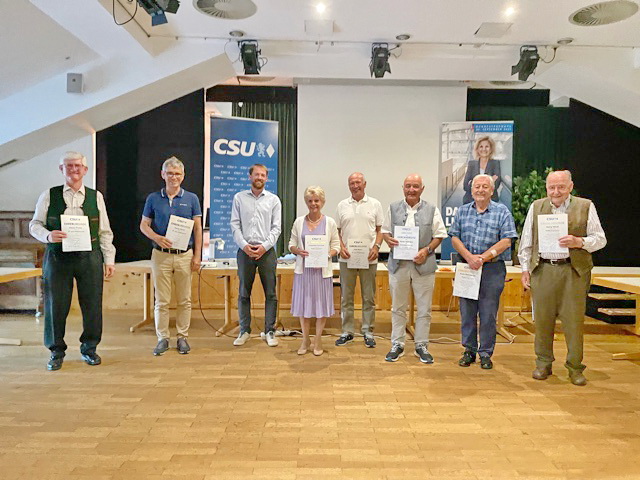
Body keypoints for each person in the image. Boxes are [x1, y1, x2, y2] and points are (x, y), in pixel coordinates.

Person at [29, 151, 116, 371]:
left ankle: (90, 348)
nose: (74, 169)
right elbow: (34, 224)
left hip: (89, 257)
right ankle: (56, 352)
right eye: (69, 166)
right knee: (55, 306)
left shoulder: (96, 196)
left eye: (77, 166)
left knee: (92, 305)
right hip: (58, 258)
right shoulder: (49, 195)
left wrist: (109, 260)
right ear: (62, 169)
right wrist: (48, 235)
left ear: (85, 170)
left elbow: (105, 231)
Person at [519, 170, 606, 386]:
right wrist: (525, 269)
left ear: (570, 186)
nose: (556, 192)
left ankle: (575, 368)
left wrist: (580, 242)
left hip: (573, 271)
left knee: (574, 322)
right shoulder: (536, 207)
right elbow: (526, 242)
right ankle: (543, 363)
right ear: (546, 188)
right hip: (543, 270)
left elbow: (600, 239)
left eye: (561, 187)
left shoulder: (586, 206)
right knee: (542, 321)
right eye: (552, 187)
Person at [449, 174, 517, 370]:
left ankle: (486, 353)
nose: (480, 190)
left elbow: (507, 240)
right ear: (471, 191)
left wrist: (483, 258)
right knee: (467, 312)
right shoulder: (462, 211)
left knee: (488, 314)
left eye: (485, 187)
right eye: (477, 187)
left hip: (492, 269)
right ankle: (469, 350)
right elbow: (454, 237)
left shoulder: (502, 211)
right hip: (467, 267)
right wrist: (469, 257)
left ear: (492, 190)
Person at [140, 156, 202, 356]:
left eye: (177, 174)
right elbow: (144, 225)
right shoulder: (153, 198)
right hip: (161, 255)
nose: (173, 177)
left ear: (183, 176)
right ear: (163, 175)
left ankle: (182, 337)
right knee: (162, 300)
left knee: (185, 299)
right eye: (170, 173)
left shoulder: (192, 199)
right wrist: (157, 238)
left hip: (185, 255)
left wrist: (197, 256)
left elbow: (198, 229)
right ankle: (162, 338)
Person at [382, 174, 448, 363]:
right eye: (408, 186)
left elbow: (440, 234)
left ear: (422, 189)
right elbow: (385, 231)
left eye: (416, 186)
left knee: (424, 309)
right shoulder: (393, 207)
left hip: (424, 265)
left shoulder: (432, 209)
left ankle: (421, 345)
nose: (412, 190)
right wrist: (388, 240)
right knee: (398, 307)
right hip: (399, 265)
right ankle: (397, 344)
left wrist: (427, 250)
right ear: (403, 188)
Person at [230, 163, 282, 347]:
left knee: (271, 293)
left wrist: (264, 247)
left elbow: (276, 228)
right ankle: (244, 331)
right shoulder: (239, 198)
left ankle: (269, 331)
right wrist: (244, 246)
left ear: (266, 178)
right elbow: (234, 225)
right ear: (250, 176)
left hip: (266, 252)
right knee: (244, 292)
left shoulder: (274, 200)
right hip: (245, 251)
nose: (259, 177)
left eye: (263, 175)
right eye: (256, 174)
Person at [289, 186, 340, 356]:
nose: (313, 204)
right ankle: (305, 340)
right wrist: (297, 251)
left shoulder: (330, 222)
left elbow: (336, 246)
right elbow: (291, 244)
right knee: (304, 307)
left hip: (321, 273)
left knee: (321, 308)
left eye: (316, 200)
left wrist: (326, 256)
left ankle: (318, 340)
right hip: (304, 272)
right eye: (310, 201)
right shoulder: (298, 222)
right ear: (306, 202)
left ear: (322, 202)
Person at [334, 172, 384, 348]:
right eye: (352, 183)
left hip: (368, 258)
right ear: (348, 186)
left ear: (365, 184)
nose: (355, 186)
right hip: (346, 258)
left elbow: (380, 230)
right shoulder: (342, 205)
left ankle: (368, 331)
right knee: (346, 297)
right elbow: (336, 231)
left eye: (358, 182)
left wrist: (376, 247)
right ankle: (347, 331)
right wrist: (341, 247)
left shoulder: (375, 204)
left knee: (368, 297)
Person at [462, 136, 502, 204]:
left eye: (487, 146)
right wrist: (489, 181)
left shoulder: (495, 163)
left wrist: (474, 183)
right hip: (471, 200)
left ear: (491, 149)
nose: (484, 149)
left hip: (490, 201)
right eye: (481, 146)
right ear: (477, 149)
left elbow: (496, 185)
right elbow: (465, 186)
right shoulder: (471, 164)